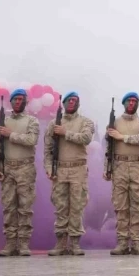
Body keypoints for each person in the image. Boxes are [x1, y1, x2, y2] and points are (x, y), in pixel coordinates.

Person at [43, 92, 96, 256]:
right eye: (69, 100)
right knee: (61, 206)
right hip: (60, 169)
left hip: (78, 169)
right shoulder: (53, 124)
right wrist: (49, 168)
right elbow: (48, 150)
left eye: (75, 100)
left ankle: (74, 242)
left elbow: (86, 138)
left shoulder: (86, 122)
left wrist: (66, 133)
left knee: (76, 206)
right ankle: (60, 242)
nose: (72, 102)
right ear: (64, 103)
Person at [103, 92, 139, 255]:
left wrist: (122, 137)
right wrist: (107, 168)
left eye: (134, 101)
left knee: (137, 205)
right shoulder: (115, 123)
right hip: (119, 165)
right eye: (129, 101)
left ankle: (137, 241)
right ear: (123, 103)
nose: (132, 103)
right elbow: (109, 149)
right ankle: (122, 241)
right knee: (121, 205)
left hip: (138, 165)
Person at [0, 89, 40, 256]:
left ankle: (24, 243)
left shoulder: (32, 121)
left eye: (21, 99)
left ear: (26, 102)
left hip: (25, 168)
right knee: (8, 207)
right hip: (8, 168)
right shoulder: (3, 121)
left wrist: (10, 134)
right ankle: (10, 243)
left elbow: (31, 140)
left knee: (25, 207)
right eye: (15, 99)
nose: (18, 102)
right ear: (10, 102)